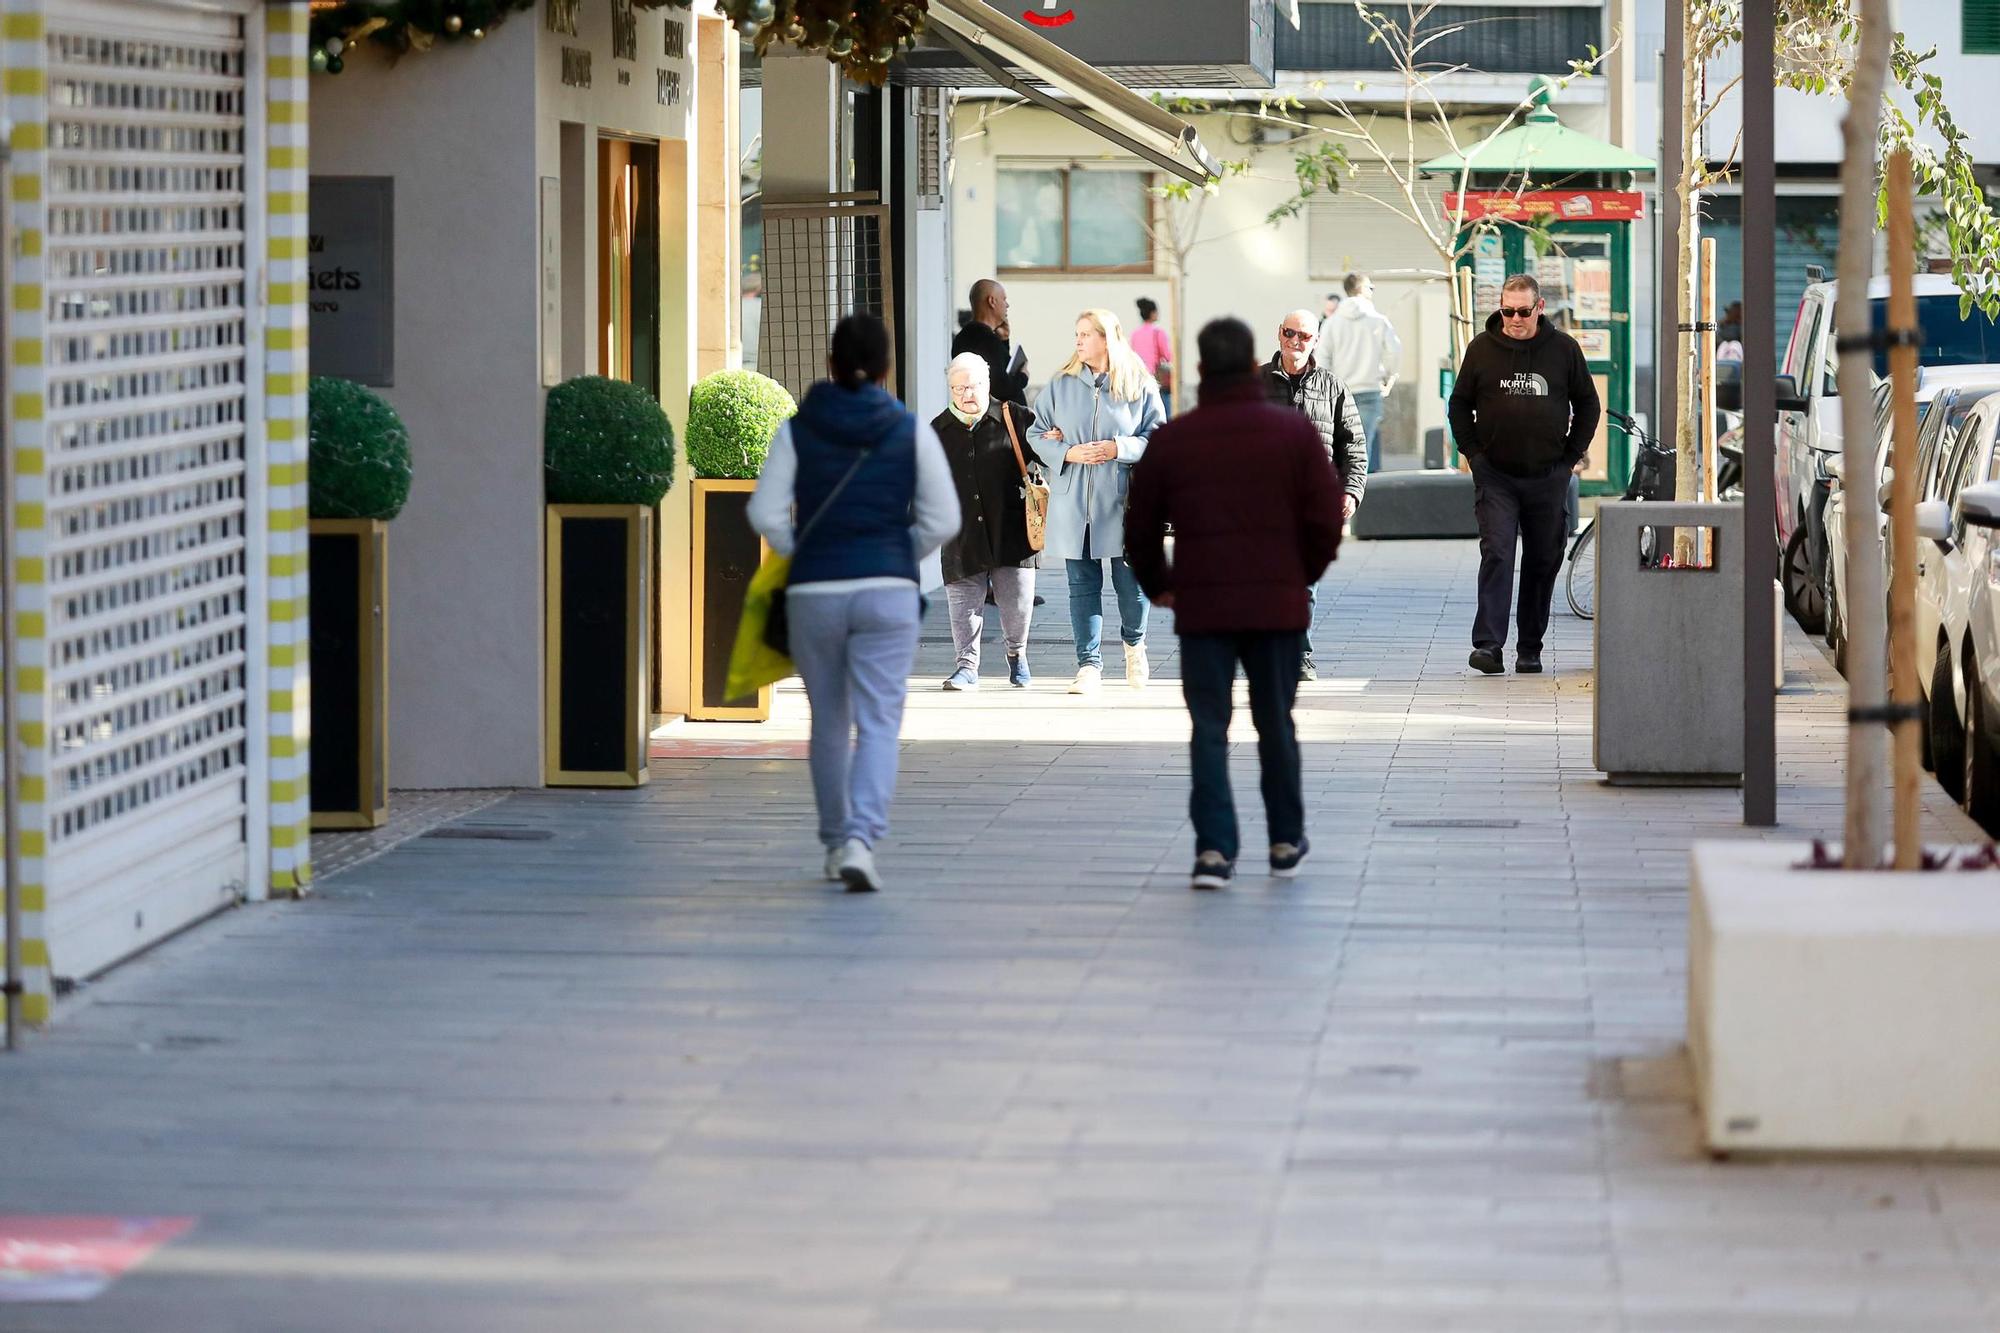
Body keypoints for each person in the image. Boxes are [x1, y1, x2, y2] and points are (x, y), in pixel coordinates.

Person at [1126, 317, 1344, 890]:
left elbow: (1140, 528)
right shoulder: (1294, 436)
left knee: (1208, 728)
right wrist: (1303, 576)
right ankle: (1284, 838)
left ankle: (1215, 852)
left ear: (1199, 369)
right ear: (1254, 363)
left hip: (1205, 610)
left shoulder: (1176, 440)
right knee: (1275, 723)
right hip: (1277, 607)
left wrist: (1160, 585)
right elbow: (1325, 521)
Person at [748, 314, 961, 893]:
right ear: (887, 368)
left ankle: (834, 840)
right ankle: (861, 843)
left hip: (815, 591)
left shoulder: (797, 429)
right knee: (879, 722)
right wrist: (898, 553)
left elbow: (764, 514)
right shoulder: (911, 430)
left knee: (828, 721)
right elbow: (944, 519)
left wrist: (805, 552)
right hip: (888, 590)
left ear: (831, 363)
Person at [1448, 273, 1601, 677]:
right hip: (1496, 474)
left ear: (1539, 308)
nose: (1514, 319)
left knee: (1542, 559)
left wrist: (1570, 458)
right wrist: (1474, 456)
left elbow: (1588, 405)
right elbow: (1459, 405)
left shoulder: (1563, 350)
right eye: (1506, 310)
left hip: (1548, 475)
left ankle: (1529, 647)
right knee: (1497, 552)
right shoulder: (1481, 349)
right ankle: (1489, 645)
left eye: (1522, 311)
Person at [1029, 308, 1165, 694]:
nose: (1078, 340)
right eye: (1077, 333)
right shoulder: (1061, 384)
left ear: (1107, 338)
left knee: (1130, 584)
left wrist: (1116, 447)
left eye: (1086, 334)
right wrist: (1067, 454)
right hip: (1074, 501)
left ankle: (1134, 645)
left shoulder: (1139, 384)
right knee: (1081, 583)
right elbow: (1035, 433)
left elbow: (1158, 437)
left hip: (1124, 503)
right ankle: (1088, 665)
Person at [1262, 308, 1367, 682]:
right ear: (1279, 334)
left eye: (1304, 336)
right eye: (1290, 333)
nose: (1296, 341)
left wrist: (1351, 493)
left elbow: (1354, 447)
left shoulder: (1332, 387)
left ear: (1316, 341)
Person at [933, 352, 1039, 692]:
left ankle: (1017, 655)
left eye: (972, 385)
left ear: (987, 383)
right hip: (960, 534)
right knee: (963, 603)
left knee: (1017, 601)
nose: (966, 393)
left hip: (1011, 530)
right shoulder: (937, 430)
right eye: (957, 387)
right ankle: (966, 666)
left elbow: (1046, 455)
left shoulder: (1016, 418)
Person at [1319, 272, 1403, 473]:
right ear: (1363, 289)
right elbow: (1395, 350)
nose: (1372, 292)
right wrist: (1388, 375)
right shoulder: (1378, 320)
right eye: (1371, 288)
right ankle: (1359, 494)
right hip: (1369, 389)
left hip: (1340, 393)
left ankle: (1340, 492)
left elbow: (1322, 357)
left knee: (1340, 445)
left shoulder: (1332, 323)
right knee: (1362, 447)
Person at [952, 278, 1028, 407]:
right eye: (1004, 299)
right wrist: (1023, 376)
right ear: (992, 301)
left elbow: (998, 370)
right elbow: (1001, 387)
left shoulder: (965, 337)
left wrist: (1003, 341)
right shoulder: (985, 340)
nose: (1007, 305)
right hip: (995, 425)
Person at [1130, 297, 1175, 416]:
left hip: (1138, 380)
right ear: (1152, 313)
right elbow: (1167, 356)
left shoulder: (1135, 334)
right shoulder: (1158, 332)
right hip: (1155, 379)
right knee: (1163, 413)